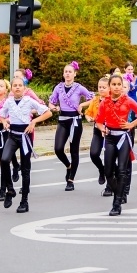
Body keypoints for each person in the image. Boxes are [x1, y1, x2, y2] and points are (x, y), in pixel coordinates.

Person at [94, 74, 137, 216]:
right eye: (114, 84)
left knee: (122, 170)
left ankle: (116, 203)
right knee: (108, 171)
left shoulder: (128, 100)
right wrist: (102, 128)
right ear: (110, 86)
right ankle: (119, 192)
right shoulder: (104, 102)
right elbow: (98, 121)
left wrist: (131, 124)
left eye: (119, 84)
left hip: (124, 136)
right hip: (110, 137)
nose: (117, 87)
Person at [0, 77, 52, 212]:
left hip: (25, 137)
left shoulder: (29, 101)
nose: (17, 87)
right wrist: (4, 121)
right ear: (11, 88)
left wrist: (34, 122)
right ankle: (10, 190)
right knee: (4, 160)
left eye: (20, 85)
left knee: (25, 170)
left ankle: (24, 201)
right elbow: (1, 114)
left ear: (24, 88)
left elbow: (48, 112)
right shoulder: (9, 101)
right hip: (12, 135)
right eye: (15, 85)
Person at [49, 61, 94, 191]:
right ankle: (68, 165)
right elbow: (51, 103)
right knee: (58, 149)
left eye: (70, 72)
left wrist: (82, 105)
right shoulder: (58, 87)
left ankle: (71, 179)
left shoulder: (79, 87)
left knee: (74, 150)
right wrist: (54, 108)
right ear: (63, 74)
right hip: (62, 120)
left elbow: (92, 98)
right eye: (66, 72)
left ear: (75, 74)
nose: (67, 74)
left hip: (75, 121)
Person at [81, 76, 112, 196]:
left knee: (109, 159)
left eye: (104, 87)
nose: (101, 89)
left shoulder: (111, 100)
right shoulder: (95, 100)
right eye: (100, 87)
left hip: (109, 132)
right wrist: (89, 118)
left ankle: (109, 186)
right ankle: (101, 169)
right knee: (94, 154)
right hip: (97, 131)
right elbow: (88, 113)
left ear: (109, 88)